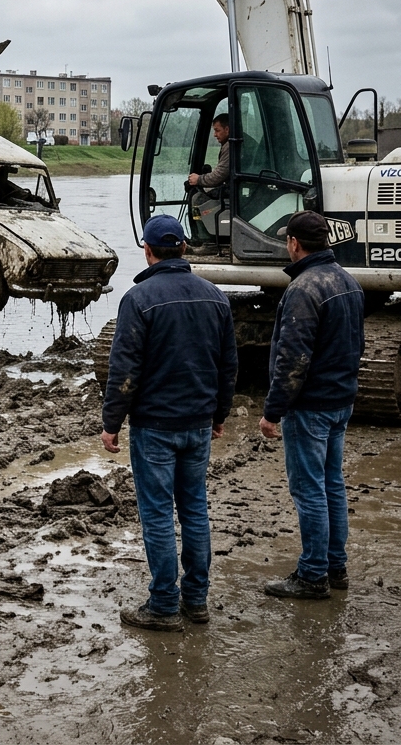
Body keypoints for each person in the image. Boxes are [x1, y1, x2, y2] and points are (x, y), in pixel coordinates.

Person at [101, 214, 237, 631]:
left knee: (158, 514)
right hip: (198, 424)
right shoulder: (215, 296)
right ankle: (196, 600)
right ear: (183, 248)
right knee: (194, 508)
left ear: (148, 251)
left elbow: (124, 369)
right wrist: (219, 414)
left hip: (155, 427)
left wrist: (111, 422)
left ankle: (163, 605)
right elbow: (227, 365)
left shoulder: (138, 299)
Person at [260, 211, 364, 600]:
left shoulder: (304, 289)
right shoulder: (347, 281)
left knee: (309, 490)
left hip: (311, 406)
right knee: (331, 483)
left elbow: (292, 360)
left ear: (294, 243)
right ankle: (336, 567)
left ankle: (313, 575)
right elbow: (358, 344)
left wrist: (272, 411)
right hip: (341, 400)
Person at [188, 113, 231, 191]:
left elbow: (219, 175)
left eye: (217, 130)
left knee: (198, 198)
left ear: (227, 130)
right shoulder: (232, 143)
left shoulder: (231, 146)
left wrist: (198, 179)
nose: (215, 135)